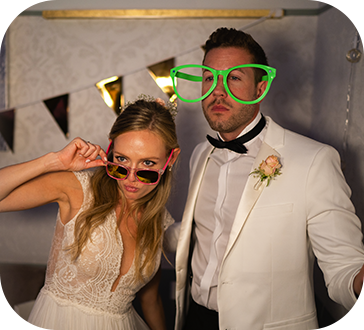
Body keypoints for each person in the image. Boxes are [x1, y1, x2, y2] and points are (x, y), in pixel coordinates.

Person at [172, 27, 364, 330]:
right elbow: (201, 235)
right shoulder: (200, 154)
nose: (218, 91)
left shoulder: (314, 160)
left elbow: (344, 267)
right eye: (210, 78)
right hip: (194, 319)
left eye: (234, 78)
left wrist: (359, 281)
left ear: (260, 89)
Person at [0, 97, 180, 330]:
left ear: (170, 159)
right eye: (121, 160)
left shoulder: (159, 219)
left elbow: (150, 299)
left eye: (147, 164)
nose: (130, 178)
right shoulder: (78, 189)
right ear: (111, 149)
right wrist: (53, 161)